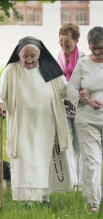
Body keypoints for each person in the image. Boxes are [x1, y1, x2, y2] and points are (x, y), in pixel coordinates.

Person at [0, 36, 86, 206]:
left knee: (44, 161)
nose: (29, 60)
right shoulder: (11, 70)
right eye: (25, 56)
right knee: (25, 161)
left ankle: (43, 198)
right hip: (21, 125)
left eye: (33, 56)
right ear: (19, 55)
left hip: (46, 125)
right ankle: (28, 200)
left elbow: (65, 90)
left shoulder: (50, 69)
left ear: (39, 55)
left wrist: (80, 93)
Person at [66, 26, 103, 213]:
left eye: (101, 48)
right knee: (92, 161)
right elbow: (70, 89)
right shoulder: (83, 63)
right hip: (87, 120)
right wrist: (85, 100)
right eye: (93, 47)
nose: (97, 52)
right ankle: (93, 202)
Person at [57, 23, 85, 189]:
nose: (63, 44)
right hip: (63, 108)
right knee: (66, 145)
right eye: (61, 41)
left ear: (76, 40)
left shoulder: (83, 58)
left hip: (81, 108)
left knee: (79, 147)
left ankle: (81, 183)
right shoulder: (58, 58)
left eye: (67, 41)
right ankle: (72, 182)